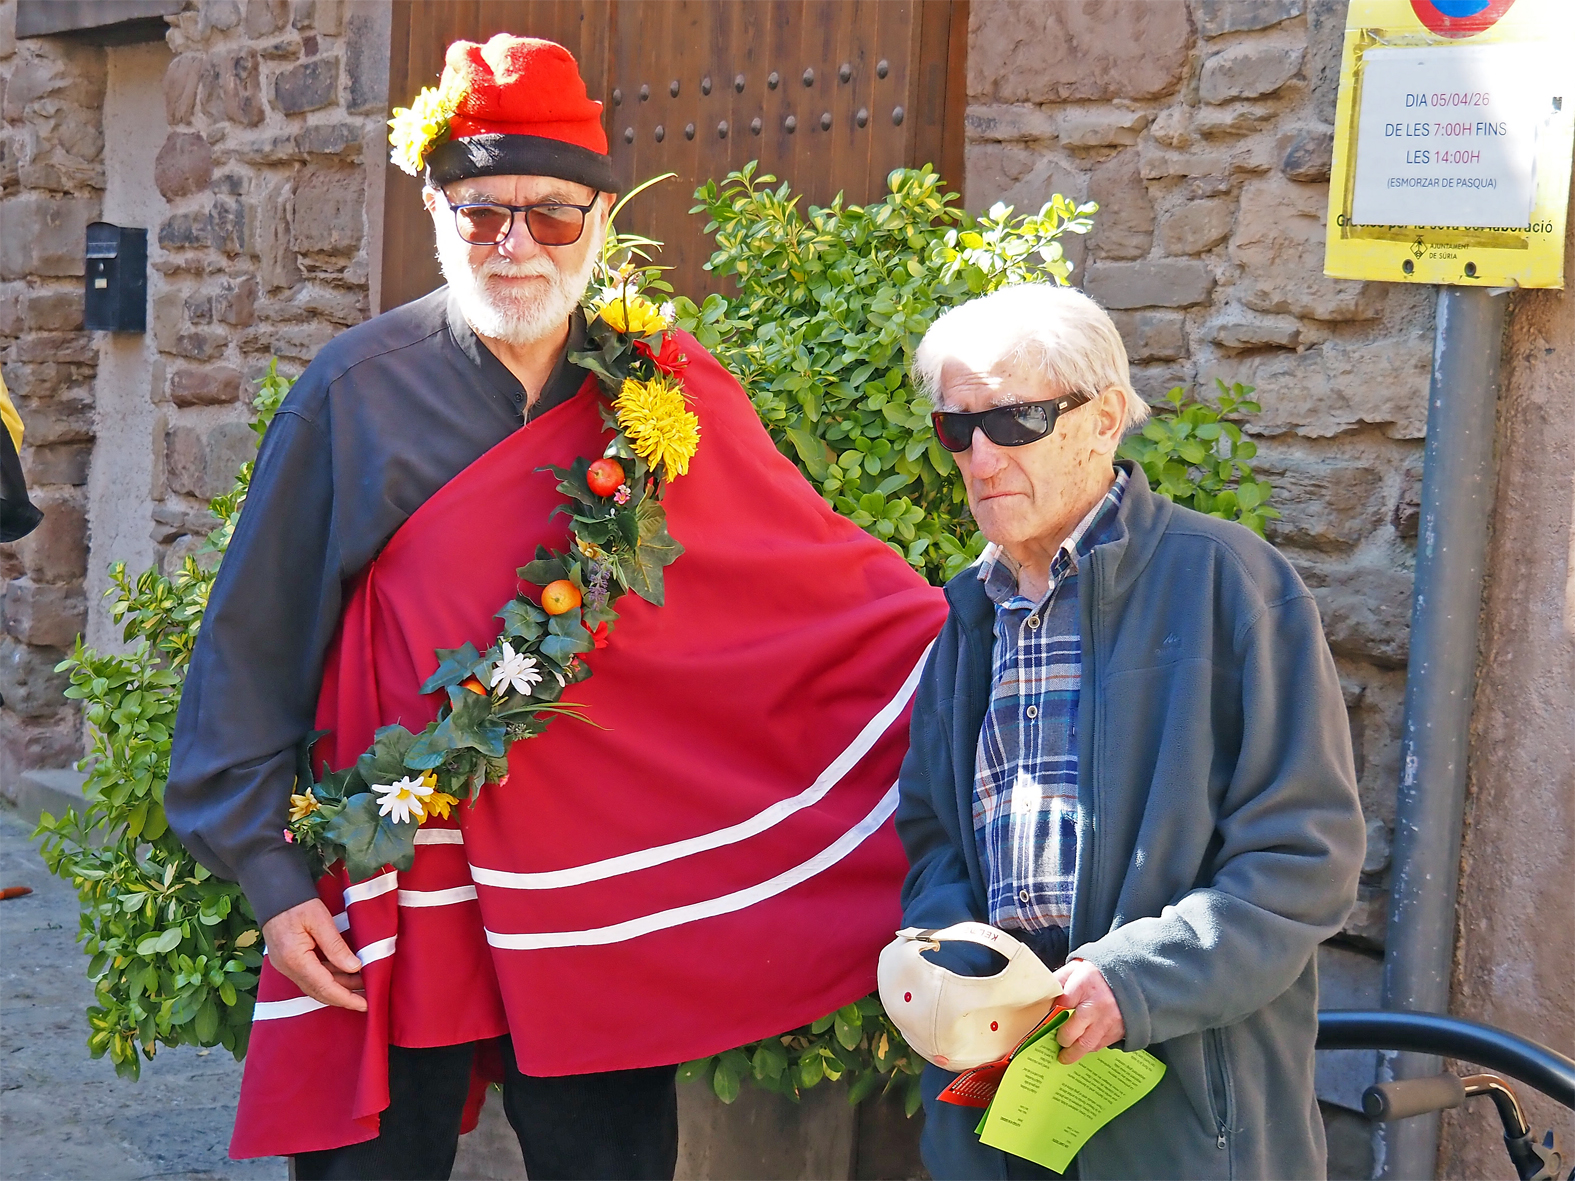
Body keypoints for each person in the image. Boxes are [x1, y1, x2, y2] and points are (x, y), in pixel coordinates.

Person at [166, 34, 945, 1180]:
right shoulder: (355, 392)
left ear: (601, 213)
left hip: (598, 894)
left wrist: (991, 634)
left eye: (551, 213)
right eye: (482, 212)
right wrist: (276, 888)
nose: (517, 243)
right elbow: (249, 654)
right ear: (435, 210)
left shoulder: (665, 391)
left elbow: (811, 579)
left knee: (612, 1166)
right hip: (401, 878)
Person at [894, 283, 1365, 1179]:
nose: (980, 456)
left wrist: (1132, 980)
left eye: (1015, 420)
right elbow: (931, 842)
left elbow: (1303, 860)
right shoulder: (968, 616)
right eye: (957, 428)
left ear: (1104, 418)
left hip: (1182, 1121)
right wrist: (956, 964)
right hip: (996, 1115)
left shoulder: (1230, 585)